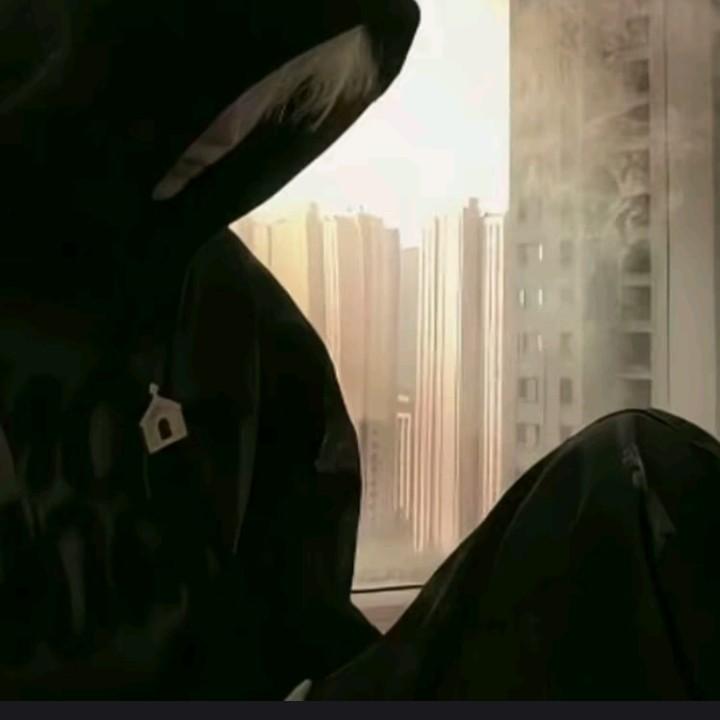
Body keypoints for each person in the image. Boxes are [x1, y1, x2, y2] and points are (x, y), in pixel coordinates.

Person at [2, 0, 720, 701]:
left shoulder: (232, 307)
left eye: (283, 94)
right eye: (225, 80)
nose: (238, 126)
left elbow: (306, 603)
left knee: (639, 484)